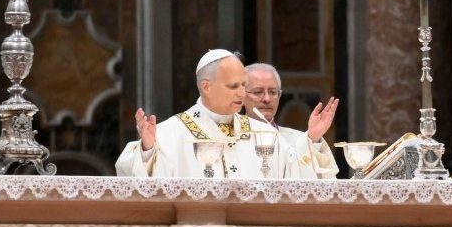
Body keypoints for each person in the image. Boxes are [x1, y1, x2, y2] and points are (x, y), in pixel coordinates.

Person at [116, 49, 310, 178]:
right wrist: (148, 150)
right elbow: (132, 179)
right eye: (233, 86)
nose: (242, 93)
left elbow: (300, 176)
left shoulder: (265, 134)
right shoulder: (169, 134)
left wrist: (313, 141)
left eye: (243, 85)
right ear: (206, 86)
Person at [243, 63, 340, 179]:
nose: (267, 99)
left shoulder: (298, 139)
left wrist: (312, 139)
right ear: (241, 95)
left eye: (273, 92)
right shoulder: (229, 139)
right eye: (258, 92)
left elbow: (322, 184)